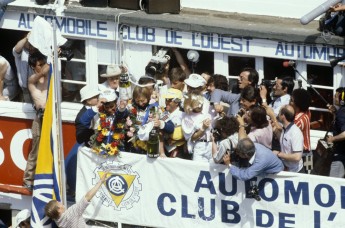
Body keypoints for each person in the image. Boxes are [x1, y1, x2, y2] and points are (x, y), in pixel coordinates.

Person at [23, 51, 49, 191]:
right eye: (40, 64)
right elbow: (46, 70)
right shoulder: (33, 79)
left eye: (43, 63)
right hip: (39, 117)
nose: (43, 66)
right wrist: (51, 59)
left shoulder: (50, 77)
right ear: (34, 67)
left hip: (50, 116)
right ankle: (28, 179)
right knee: (36, 149)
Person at [45, 172, 109, 227]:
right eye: (58, 203)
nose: (61, 203)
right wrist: (100, 182)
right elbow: (87, 197)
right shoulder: (72, 213)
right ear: (59, 210)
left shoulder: (58, 221)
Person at [273, 105, 305, 173]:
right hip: (287, 170)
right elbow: (284, 141)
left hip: (296, 172)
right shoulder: (285, 129)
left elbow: (297, 157)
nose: (278, 115)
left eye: (279, 113)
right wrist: (274, 130)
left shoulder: (295, 132)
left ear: (283, 116)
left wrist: (279, 154)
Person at [182, 94, 212, 162]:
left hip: (210, 145)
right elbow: (192, 138)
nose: (200, 105)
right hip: (199, 145)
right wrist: (203, 128)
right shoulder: (187, 118)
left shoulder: (207, 114)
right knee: (197, 169)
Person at [161, 88, 186, 158]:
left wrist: (175, 140)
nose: (166, 102)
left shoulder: (183, 115)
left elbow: (188, 133)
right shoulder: (164, 114)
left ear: (177, 102)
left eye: (169, 100)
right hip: (166, 149)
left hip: (179, 149)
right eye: (166, 100)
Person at [326, 87, 345, 178]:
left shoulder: (342, 113)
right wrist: (335, 114)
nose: (334, 98)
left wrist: (332, 138)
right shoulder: (341, 112)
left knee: (334, 182)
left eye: (336, 97)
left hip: (341, 154)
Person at [12, 32, 35, 103]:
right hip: (26, 88)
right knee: (28, 110)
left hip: (38, 87)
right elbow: (16, 49)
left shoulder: (38, 51)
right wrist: (26, 38)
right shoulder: (21, 51)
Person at [290, 88, 312, 153]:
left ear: (297, 103)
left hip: (302, 152)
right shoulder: (307, 112)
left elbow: (287, 135)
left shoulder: (298, 120)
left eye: (291, 100)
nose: (289, 102)